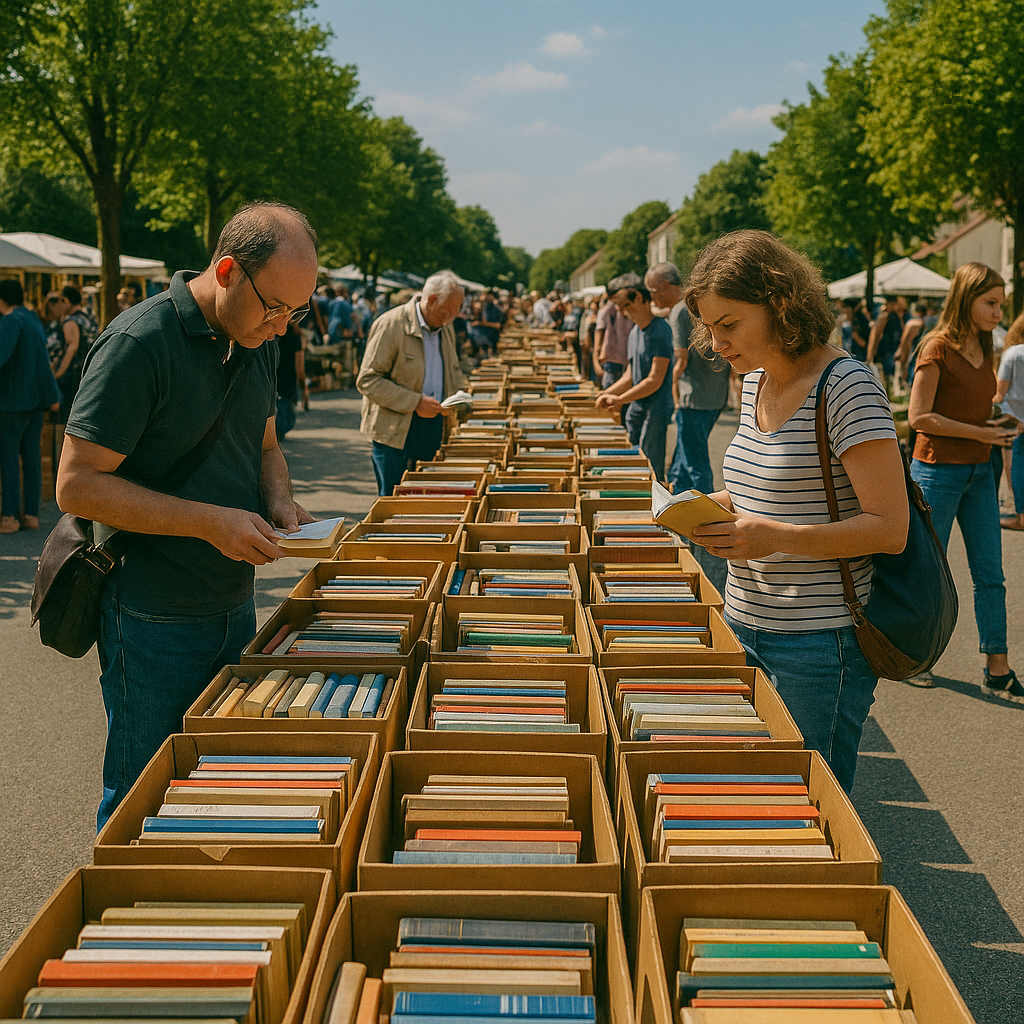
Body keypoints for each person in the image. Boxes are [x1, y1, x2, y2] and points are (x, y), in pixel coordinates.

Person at [56, 200, 319, 828]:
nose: (282, 326)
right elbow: (76, 485)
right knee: (142, 798)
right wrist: (209, 521)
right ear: (227, 270)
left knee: (213, 787)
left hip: (232, 602)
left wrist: (279, 498)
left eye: (297, 311)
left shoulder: (257, 339)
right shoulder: (138, 342)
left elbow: (267, 446)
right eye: (275, 307)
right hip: (150, 613)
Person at [684, 230, 909, 793]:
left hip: (817, 643)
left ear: (779, 304)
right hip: (742, 622)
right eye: (709, 327)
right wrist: (700, 508)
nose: (715, 344)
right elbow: (761, 490)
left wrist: (775, 536)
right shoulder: (756, 379)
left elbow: (890, 528)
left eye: (728, 324)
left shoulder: (846, 386)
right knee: (757, 796)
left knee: (809, 805)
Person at [907, 262, 1021, 697]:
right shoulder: (936, 347)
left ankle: (998, 665)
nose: (998, 313)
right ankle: (916, 657)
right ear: (966, 298)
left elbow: (968, 407)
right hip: (937, 470)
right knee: (927, 570)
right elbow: (919, 417)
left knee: (991, 572)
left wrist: (996, 419)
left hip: (979, 471)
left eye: (1000, 304)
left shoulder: (986, 346)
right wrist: (984, 432)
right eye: (990, 303)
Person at [356, 269, 468, 497]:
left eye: (455, 313)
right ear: (432, 300)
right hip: (395, 432)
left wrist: (460, 397)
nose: (450, 318)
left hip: (433, 426)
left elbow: (453, 370)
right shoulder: (391, 324)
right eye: (447, 311)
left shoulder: (445, 327)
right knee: (393, 501)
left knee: (425, 500)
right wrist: (415, 402)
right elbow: (368, 380)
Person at [645, 262, 730, 495]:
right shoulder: (695, 304)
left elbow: (680, 359)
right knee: (685, 458)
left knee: (695, 462)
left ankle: (706, 516)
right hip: (714, 394)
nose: (651, 298)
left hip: (692, 398)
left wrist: (669, 389)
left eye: (652, 291)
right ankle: (677, 502)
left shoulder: (679, 311)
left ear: (664, 286)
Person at [595, 273, 673, 480]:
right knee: (635, 464)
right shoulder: (635, 332)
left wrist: (620, 399)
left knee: (651, 467)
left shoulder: (660, 330)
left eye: (625, 305)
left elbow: (654, 379)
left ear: (639, 297)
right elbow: (631, 374)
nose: (621, 312)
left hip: (655, 410)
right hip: (637, 409)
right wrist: (606, 393)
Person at [0, 279, 61, 534]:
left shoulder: (11, 321)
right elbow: (43, 362)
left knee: (9, 458)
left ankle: (10, 515)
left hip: (12, 400)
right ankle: (31, 514)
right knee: (32, 457)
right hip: (37, 399)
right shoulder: (33, 319)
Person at [52, 284, 97, 423]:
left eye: (61, 300)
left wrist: (59, 372)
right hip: (90, 369)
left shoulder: (71, 321)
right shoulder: (88, 316)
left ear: (66, 300)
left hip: (73, 373)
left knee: (68, 414)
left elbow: (72, 346)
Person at [996, 311, 1024, 531]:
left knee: (1014, 467)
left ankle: (1020, 515)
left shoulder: (1013, 354)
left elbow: (1000, 392)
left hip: (1015, 421)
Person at [595, 290, 633, 390]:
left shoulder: (605, 310)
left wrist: (596, 358)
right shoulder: (627, 309)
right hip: (620, 359)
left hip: (612, 359)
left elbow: (598, 336)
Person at [275, 320, 304, 441]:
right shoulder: (294, 336)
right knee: (287, 418)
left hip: (274, 378)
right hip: (288, 380)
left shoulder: (272, 333)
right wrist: (303, 386)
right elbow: (300, 365)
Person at [867, 294, 902, 390]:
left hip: (891, 349)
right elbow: (876, 335)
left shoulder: (895, 316)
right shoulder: (884, 317)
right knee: (884, 376)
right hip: (885, 350)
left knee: (888, 376)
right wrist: (872, 353)